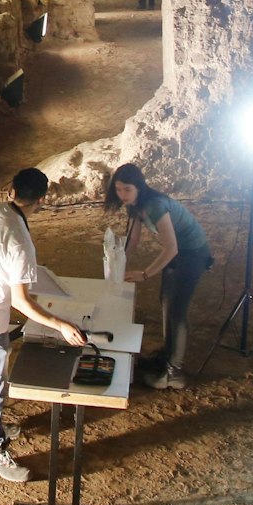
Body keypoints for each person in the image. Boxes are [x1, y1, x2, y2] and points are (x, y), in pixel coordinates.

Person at [0, 167, 86, 482]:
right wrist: (61, 325)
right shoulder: (21, 242)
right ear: (41, 200)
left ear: (11, 191)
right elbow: (21, 302)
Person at [105, 163, 214, 390]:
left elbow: (171, 248)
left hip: (192, 253)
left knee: (176, 309)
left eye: (127, 189)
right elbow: (132, 241)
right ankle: (168, 356)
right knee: (166, 302)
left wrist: (145, 274)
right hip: (179, 253)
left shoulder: (154, 206)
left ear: (138, 188)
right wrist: (116, 266)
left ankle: (174, 373)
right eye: (118, 189)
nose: (122, 195)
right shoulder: (134, 205)